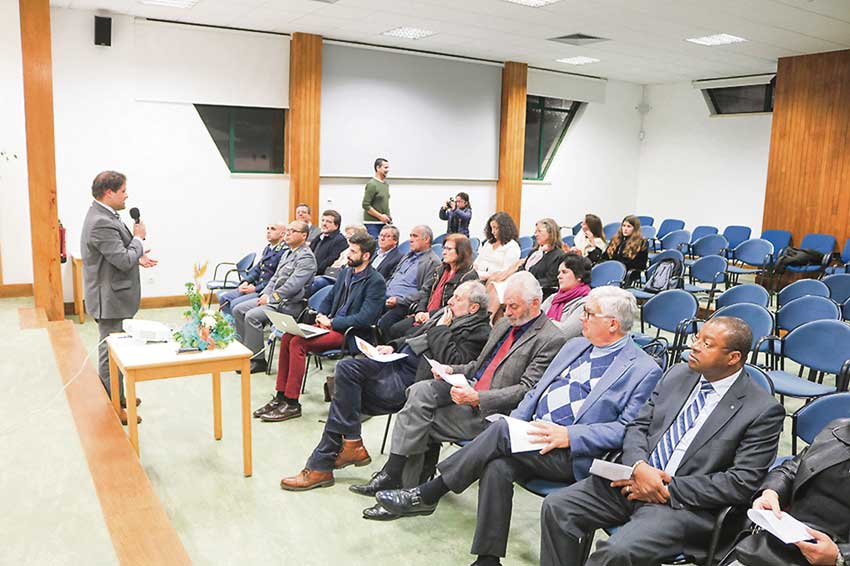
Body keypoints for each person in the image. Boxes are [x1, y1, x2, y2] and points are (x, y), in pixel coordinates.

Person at [374, 288, 663, 566]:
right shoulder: (576, 346)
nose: (582, 318)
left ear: (612, 324)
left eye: (588, 313)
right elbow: (536, 391)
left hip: (573, 451)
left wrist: (569, 435)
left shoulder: (643, 368)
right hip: (533, 436)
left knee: (499, 433)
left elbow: (627, 428)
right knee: (498, 466)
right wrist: (517, 422)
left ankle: (428, 493)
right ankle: (488, 559)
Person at [538, 317, 786, 566]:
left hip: (683, 505)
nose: (695, 346)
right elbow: (639, 426)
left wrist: (667, 490)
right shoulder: (678, 374)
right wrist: (639, 467)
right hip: (632, 479)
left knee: (617, 552)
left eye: (707, 344)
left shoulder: (762, 410)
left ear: (733, 358)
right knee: (558, 507)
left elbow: (741, 482)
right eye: (697, 338)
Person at [353, 272, 566, 515]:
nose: (506, 312)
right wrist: (450, 369)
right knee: (419, 391)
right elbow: (478, 365)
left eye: (513, 307)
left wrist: (479, 398)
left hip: (493, 412)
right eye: (505, 305)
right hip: (470, 387)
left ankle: (405, 489)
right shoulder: (505, 324)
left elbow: (527, 390)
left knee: (420, 419)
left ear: (535, 304)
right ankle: (400, 482)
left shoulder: (551, 338)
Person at [279, 281, 491, 491]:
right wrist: (392, 346)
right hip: (396, 363)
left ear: (473, 308)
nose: (451, 300)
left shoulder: (479, 332)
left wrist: (441, 330)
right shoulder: (447, 315)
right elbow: (414, 337)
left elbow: (452, 360)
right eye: (453, 295)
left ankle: (322, 465)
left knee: (343, 401)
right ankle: (350, 443)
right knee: (346, 369)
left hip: (412, 381)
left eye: (458, 298)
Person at [253, 232, 385, 422]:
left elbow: (366, 318)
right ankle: (280, 396)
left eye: (353, 251)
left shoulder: (375, 281)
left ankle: (292, 402)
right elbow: (330, 297)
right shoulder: (346, 272)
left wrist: (332, 322)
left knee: (298, 343)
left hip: (350, 333)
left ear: (366, 256)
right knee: (289, 337)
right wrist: (321, 314)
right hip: (329, 325)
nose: (348, 254)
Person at [81, 170, 157, 425]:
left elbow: (118, 254)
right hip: (110, 299)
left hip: (114, 295)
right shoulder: (101, 221)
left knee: (118, 348)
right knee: (111, 352)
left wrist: (139, 256)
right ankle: (113, 406)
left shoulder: (106, 214)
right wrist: (138, 239)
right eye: (123, 190)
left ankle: (119, 396)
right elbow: (123, 259)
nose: (127, 195)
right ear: (109, 192)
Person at [721, 418, 850, 566]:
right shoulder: (837, 429)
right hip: (787, 540)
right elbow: (792, 468)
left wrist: (840, 556)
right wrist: (772, 491)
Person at [232, 221, 317, 373]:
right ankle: (244, 353)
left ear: (303, 236)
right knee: (238, 309)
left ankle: (258, 360)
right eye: (288, 230)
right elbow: (275, 278)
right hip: (275, 301)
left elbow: (293, 286)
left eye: (293, 231)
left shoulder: (306, 258)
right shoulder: (287, 253)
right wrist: (266, 293)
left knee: (252, 316)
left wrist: (271, 298)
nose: (288, 233)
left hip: (290, 305)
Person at [385, 234, 479, 341]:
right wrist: (420, 311)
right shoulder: (441, 269)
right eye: (444, 248)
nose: (444, 252)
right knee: (394, 329)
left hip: (443, 318)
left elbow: (456, 306)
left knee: (408, 334)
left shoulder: (468, 277)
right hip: (426, 313)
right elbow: (426, 292)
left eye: (449, 249)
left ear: (461, 252)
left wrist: (429, 315)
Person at [486, 218, 565, 314]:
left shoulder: (558, 255)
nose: (536, 234)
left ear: (551, 233)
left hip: (537, 290)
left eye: (539, 231)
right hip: (522, 285)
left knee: (496, 290)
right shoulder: (535, 252)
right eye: (535, 231)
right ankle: (493, 322)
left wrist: (526, 282)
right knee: (494, 285)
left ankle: (488, 319)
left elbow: (551, 280)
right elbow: (522, 269)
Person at [377, 225, 442, 337]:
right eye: (410, 236)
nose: (410, 240)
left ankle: (387, 350)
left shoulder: (433, 262)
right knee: (362, 311)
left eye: (415, 236)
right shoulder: (407, 256)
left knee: (385, 324)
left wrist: (399, 301)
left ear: (426, 239)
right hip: (385, 297)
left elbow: (424, 292)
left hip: (404, 303)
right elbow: (393, 277)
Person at [218, 222, 287, 315]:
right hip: (255, 286)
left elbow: (276, 277)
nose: (268, 231)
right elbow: (258, 269)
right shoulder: (268, 248)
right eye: (268, 228)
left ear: (282, 234)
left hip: (265, 291)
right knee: (225, 298)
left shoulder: (284, 251)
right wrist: (246, 282)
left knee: (235, 304)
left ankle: (239, 327)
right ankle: (231, 325)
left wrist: (255, 288)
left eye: (273, 229)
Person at [541, 253, 593, 340]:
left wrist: (542, 322)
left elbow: (564, 333)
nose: (559, 276)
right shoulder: (553, 298)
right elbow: (534, 320)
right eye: (559, 272)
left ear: (579, 276)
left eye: (564, 272)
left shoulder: (586, 303)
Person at [474, 212, 521, 284]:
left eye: (496, 228)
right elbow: (477, 262)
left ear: (505, 229)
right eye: (492, 228)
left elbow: (506, 272)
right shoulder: (488, 243)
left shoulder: (512, 246)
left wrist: (487, 276)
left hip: (496, 282)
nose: (493, 232)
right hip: (479, 278)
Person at [602, 215, 649, 285]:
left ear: (635, 229)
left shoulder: (641, 242)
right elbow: (605, 256)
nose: (625, 229)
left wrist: (618, 265)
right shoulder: (616, 239)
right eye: (623, 226)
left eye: (629, 226)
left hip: (627, 273)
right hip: (611, 270)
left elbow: (641, 265)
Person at [309, 210, 348, 276]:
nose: (324, 224)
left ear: (336, 226)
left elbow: (330, 261)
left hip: (323, 275)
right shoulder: (319, 237)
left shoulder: (340, 240)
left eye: (328, 222)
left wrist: (312, 271)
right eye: (323, 220)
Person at [362, 157, 391, 239]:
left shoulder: (385, 184)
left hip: (384, 223)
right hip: (372, 224)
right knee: (375, 248)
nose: (387, 170)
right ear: (378, 168)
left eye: (388, 167)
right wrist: (380, 216)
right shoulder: (372, 184)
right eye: (385, 167)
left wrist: (388, 217)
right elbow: (365, 205)